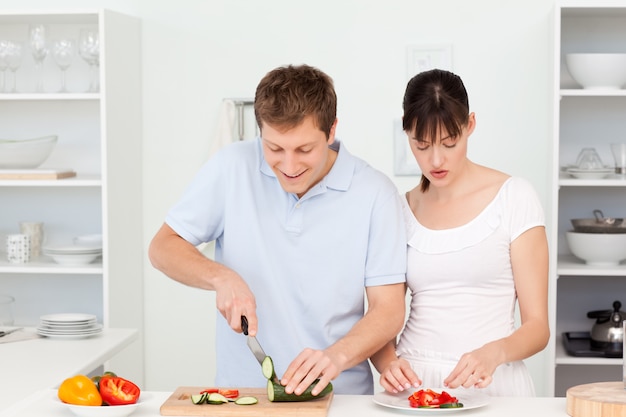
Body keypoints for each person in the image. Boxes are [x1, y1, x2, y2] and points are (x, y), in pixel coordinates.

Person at [148, 64, 407, 395]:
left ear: (331, 131)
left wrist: (335, 357)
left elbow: (388, 310)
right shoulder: (232, 167)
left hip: (341, 400)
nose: (289, 166)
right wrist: (221, 277)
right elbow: (163, 247)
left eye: (304, 150)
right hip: (243, 397)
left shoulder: (375, 193)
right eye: (274, 149)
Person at [370, 69, 549, 397]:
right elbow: (380, 317)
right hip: (413, 385)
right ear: (406, 131)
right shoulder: (399, 209)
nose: (435, 159)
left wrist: (494, 353)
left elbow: (538, 328)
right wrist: (387, 363)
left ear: (470, 125)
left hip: (491, 380)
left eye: (450, 143)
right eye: (421, 145)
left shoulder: (514, 197)